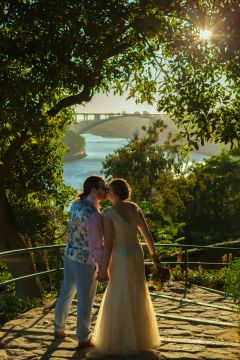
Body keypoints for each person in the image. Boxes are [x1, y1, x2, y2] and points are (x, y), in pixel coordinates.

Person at [87, 178, 161, 358]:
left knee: (119, 292)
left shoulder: (108, 212)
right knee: (137, 291)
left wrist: (103, 269)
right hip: (136, 254)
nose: (107, 192)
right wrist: (156, 259)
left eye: (109, 190)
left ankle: (119, 340)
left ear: (115, 193)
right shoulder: (134, 208)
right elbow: (146, 234)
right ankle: (139, 339)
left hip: (120, 256)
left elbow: (109, 243)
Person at [54, 175, 107, 348]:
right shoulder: (92, 214)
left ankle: (58, 328)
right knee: (85, 299)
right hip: (84, 261)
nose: (105, 190)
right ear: (93, 190)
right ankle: (83, 337)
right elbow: (96, 244)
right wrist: (101, 267)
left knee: (66, 292)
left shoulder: (76, 205)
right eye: (102, 187)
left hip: (69, 255)